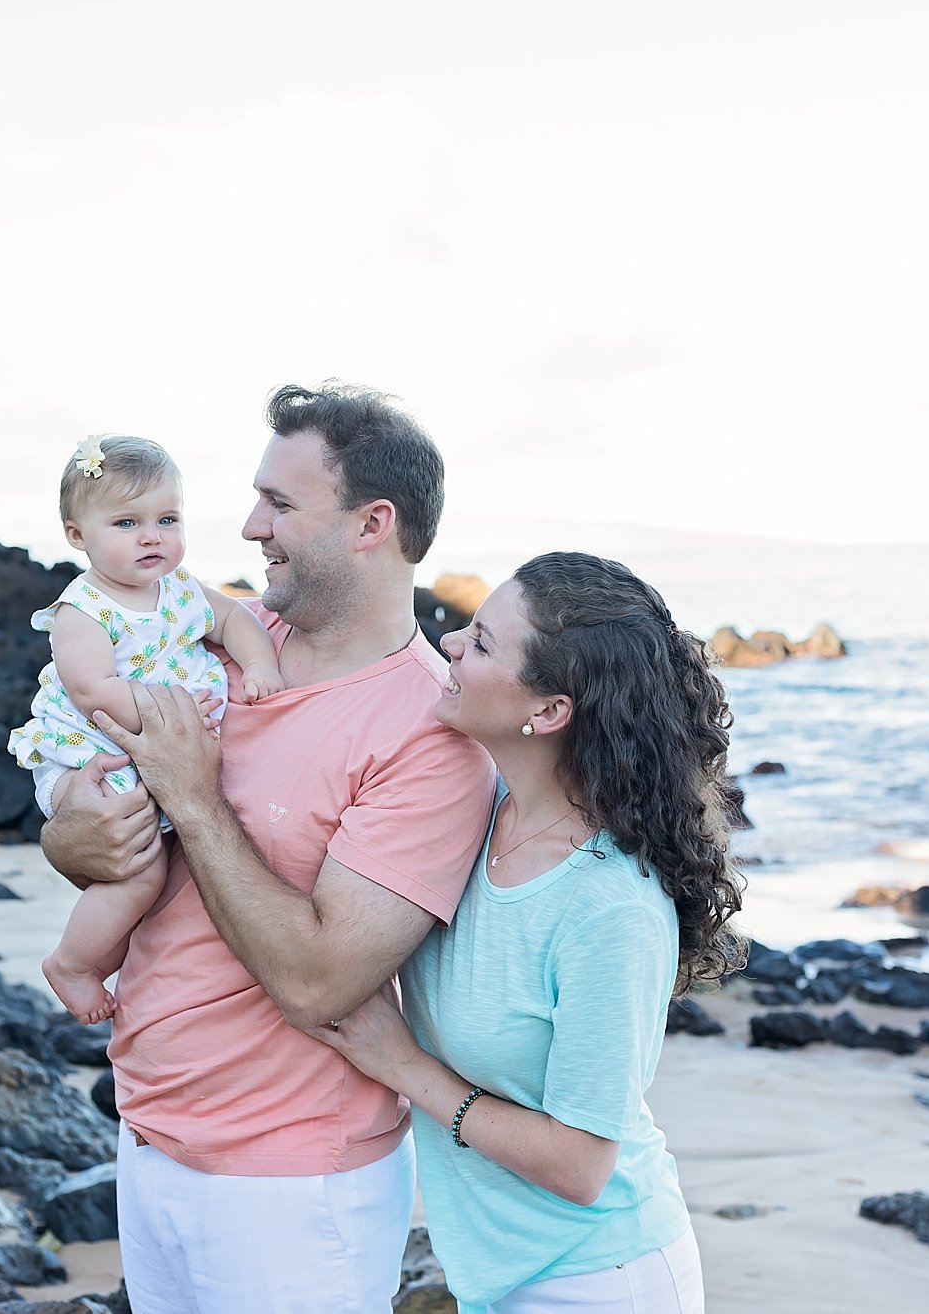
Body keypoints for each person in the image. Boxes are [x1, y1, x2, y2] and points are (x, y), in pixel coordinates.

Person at [41, 384, 496, 1313]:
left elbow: (321, 980)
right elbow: (96, 808)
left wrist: (192, 795)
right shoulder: (210, 636)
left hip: (291, 1187)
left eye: (280, 503)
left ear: (373, 524)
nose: (250, 526)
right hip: (148, 1132)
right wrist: (71, 836)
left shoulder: (432, 730)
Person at [306, 552, 746, 1313]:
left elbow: (581, 1163)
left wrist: (401, 1064)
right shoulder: (469, 811)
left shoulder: (610, 907)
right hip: (497, 1270)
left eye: (480, 643)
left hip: (600, 1278)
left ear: (547, 712)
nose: (448, 644)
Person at [8, 433, 286, 1023]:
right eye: (127, 522)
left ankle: (104, 961)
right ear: (77, 536)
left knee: (153, 873)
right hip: (85, 756)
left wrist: (259, 662)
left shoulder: (181, 591)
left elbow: (235, 617)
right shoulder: (82, 610)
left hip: (145, 759)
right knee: (141, 872)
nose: (152, 536)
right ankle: (73, 963)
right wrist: (176, 720)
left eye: (167, 518)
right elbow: (93, 693)